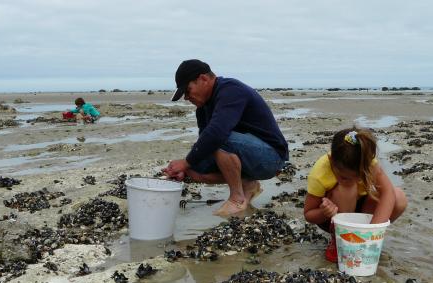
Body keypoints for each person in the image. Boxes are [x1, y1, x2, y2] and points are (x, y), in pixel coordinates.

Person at [162, 59, 289, 217]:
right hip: (248, 156)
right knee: (195, 168)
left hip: (271, 158)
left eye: (188, 90)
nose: (186, 98)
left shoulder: (231, 90)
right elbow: (204, 144)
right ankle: (248, 185)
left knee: (218, 139)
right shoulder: (203, 108)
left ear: (203, 79)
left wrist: (185, 162)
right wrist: (185, 169)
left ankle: (237, 198)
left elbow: (216, 134)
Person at [303, 127, 407, 262]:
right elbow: (308, 214)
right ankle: (340, 241)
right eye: (345, 177)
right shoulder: (319, 175)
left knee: (399, 197)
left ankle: (364, 238)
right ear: (331, 160)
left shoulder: (368, 162)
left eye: (360, 177)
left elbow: (388, 193)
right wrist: (324, 212)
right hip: (334, 216)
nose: (356, 181)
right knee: (347, 188)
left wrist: (371, 233)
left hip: (362, 209)